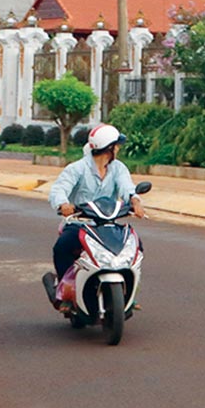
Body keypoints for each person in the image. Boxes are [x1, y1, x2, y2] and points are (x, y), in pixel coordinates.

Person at [42, 124, 145, 309]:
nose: (118, 149)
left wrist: (135, 201)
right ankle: (65, 292)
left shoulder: (118, 168)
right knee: (62, 247)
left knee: (136, 246)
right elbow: (59, 189)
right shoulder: (77, 169)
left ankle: (128, 293)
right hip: (80, 224)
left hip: (107, 224)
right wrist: (63, 204)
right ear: (109, 148)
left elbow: (127, 187)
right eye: (117, 145)